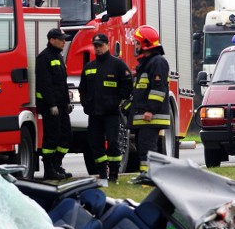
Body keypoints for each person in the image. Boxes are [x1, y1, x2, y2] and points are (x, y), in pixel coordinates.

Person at [79, 33, 133, 186]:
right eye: (95, 46)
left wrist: (118, 101)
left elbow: (128, 83)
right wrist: (85, 104)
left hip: (111, 114)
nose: (98, 48)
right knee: (96, 145)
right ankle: (103, 175)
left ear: (107, 45)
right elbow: (82, 89)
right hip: (94, 114)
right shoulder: (89, 67)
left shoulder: (117, 65)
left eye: (101, 45)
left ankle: (114, 176)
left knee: (113, 143)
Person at [127, 25, 171, 184]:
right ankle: (145, 175)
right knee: (143, 147)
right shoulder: (148, 63)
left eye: (137, 43)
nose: (136, 46)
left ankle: (151, 177)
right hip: (144, 116)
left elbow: (158, 89)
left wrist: (150, 110)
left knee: (147, 147)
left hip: (150, 116)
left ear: (145, 44)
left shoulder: (157, 62)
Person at [35, 28, 73, 180]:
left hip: (62, 105)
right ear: (52, 40)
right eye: (61, 39)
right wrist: (51, 105)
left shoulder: (58, 56)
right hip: (50, 107)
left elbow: (62, 84)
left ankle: (57, 165)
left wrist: (67, 102)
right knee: (52, 137)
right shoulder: (44, 57)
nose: (64, 41)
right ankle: (49, 169)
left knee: (67, 136)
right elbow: (45, 84)